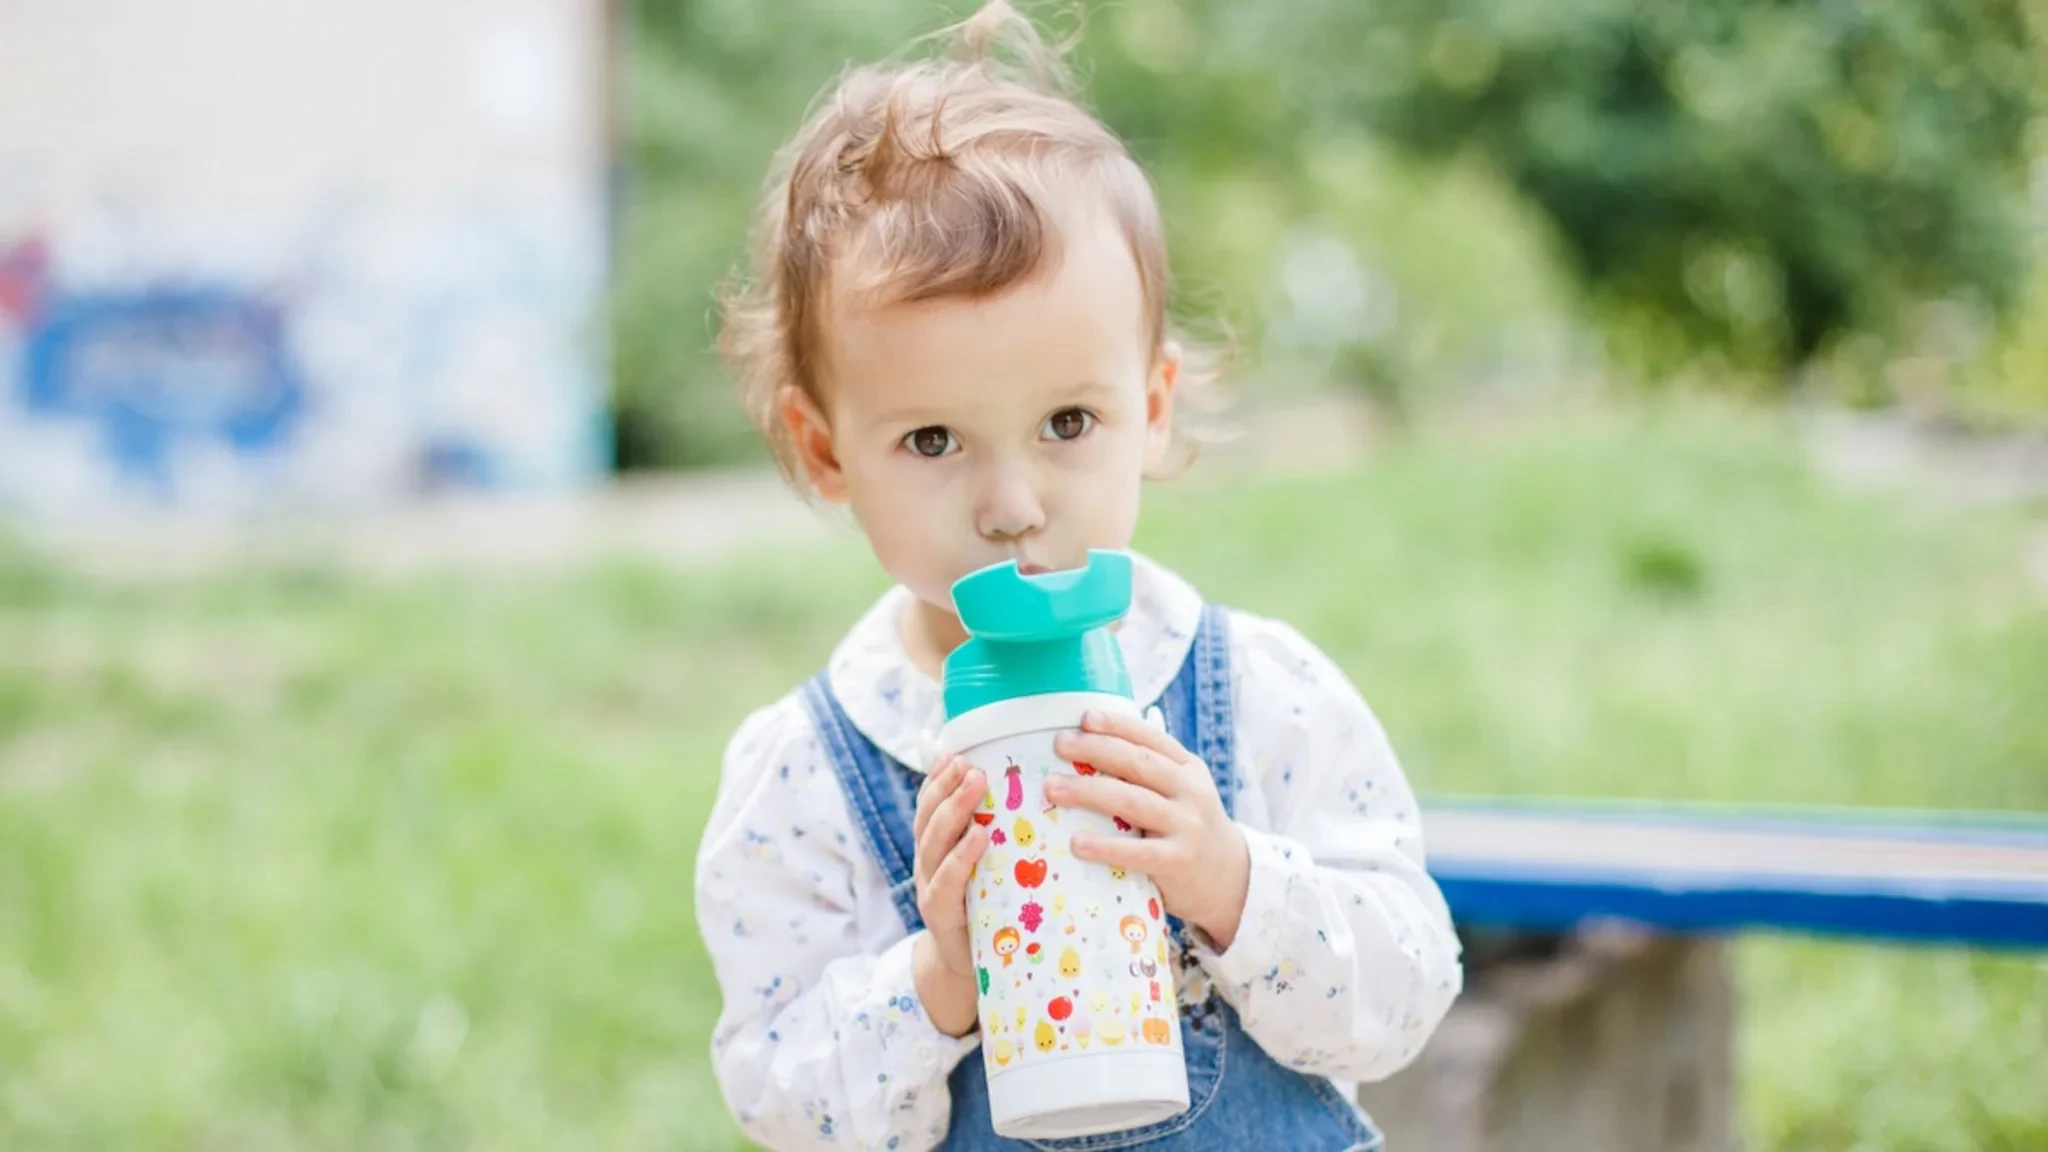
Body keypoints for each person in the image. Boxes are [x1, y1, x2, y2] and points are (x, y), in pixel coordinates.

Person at [693, 3, 1463, 1147]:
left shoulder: (1255, 693)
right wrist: (936, 979)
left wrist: (1230, 883)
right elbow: (781, 1097)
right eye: (933, 442)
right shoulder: (806, 775)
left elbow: (1405, 993)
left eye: (1067, 421)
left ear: (1147, 410)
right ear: (824, 452)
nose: (1012, 506)